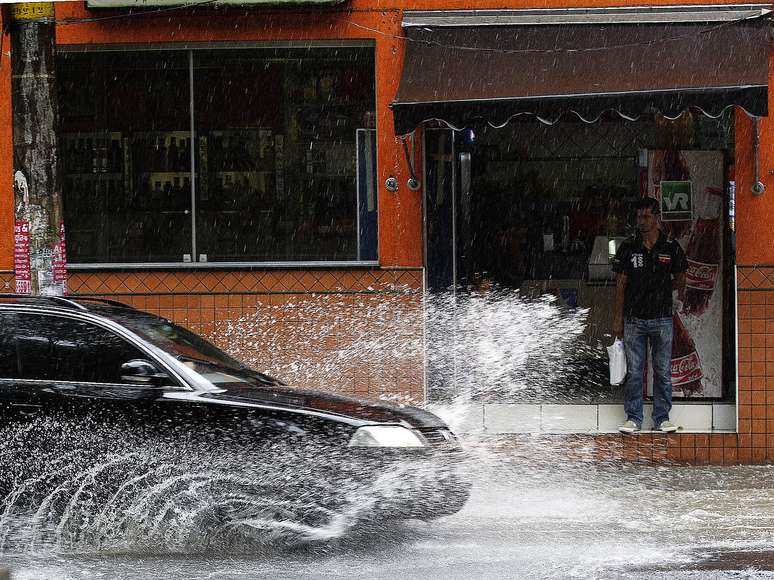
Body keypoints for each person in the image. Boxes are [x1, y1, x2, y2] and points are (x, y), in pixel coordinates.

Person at [611, 197, 687, 434]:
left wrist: (660, 289)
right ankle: (633, 418)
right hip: (634, 319)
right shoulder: (628, 247)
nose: (642, 221)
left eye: (646, 216)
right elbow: (621, 283)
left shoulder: (671, 247)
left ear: (656, 218)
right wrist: (618, 317)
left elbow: (681, 279)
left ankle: (662, 418)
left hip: (662, 318)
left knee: (662, 370)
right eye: (639, 217)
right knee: (635, 370)